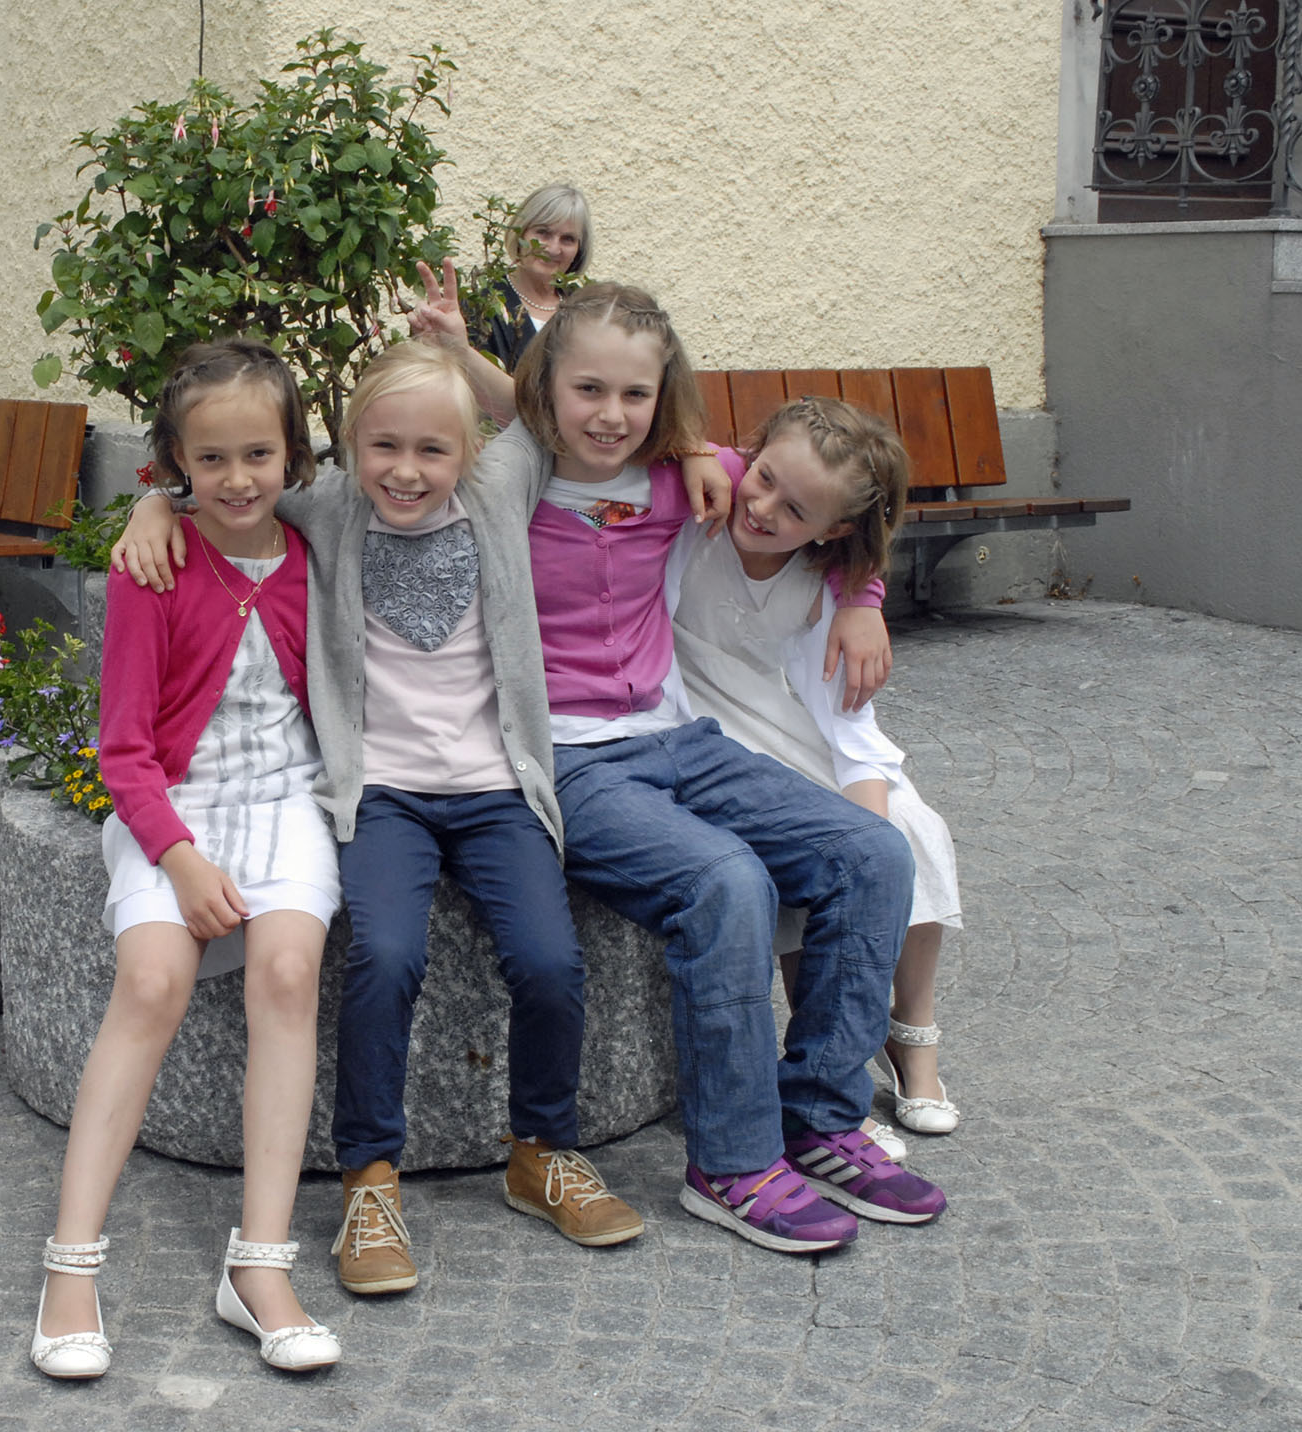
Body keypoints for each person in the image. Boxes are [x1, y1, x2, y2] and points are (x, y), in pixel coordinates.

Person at [112, 342, 663, 1299]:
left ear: (470, 452)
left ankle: (542, 1151)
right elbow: (228, 484)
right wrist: (152, 504)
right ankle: (370, 1177)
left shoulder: (496, 493)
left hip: (495, 792)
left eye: (432, 450)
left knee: (549, 959)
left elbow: (553, 414)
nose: (406, 471)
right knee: (385, 956)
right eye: (384, 447)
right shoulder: (328, 505)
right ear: (347, 447)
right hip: (382, 796)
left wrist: (459, 350)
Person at [471, 281, 947, 1253]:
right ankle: (730, 1164)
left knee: (874, 853)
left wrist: (862, 598)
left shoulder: (683, 476)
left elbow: (837, 510)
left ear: (664, 397)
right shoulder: (505, 481)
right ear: (547, 384)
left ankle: (817, 1119)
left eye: (633, 395)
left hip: (679, 738)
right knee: (726, 881)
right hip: (566, 760)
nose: (610, 414)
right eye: (587, 390)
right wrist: (165, 506)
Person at [31, 339, 342, 1380]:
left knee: (287, 971)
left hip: (288, 799)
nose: (238, 479)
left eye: (259, 454)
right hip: (172, 803)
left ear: (293, 455)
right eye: (209, 460)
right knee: (152, 981)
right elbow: (122, 752)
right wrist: (179, 859)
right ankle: (70, 1266)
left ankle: (258, 1267)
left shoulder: (314, 549)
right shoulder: (150, 565)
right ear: (174, 463)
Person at [667, 396, 965, 1140]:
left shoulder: (820, 583)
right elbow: (617, 434)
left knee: (910, 829)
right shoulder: (706, 501)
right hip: (693, 723)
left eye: (795, 509)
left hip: (783, 726)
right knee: (808, 855)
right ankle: (835, 1056)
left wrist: (871, 835)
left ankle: (911, 1034)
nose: (763, 507)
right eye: (763, 478)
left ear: (832, 530)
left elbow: (847, 723)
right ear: (749, 455)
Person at [410, 183, 594, 426]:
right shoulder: (478, 307)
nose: (553, 248)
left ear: (579, 249)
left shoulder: (590, 311)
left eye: (568, 239)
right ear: (520, 234)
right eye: (543, 233)